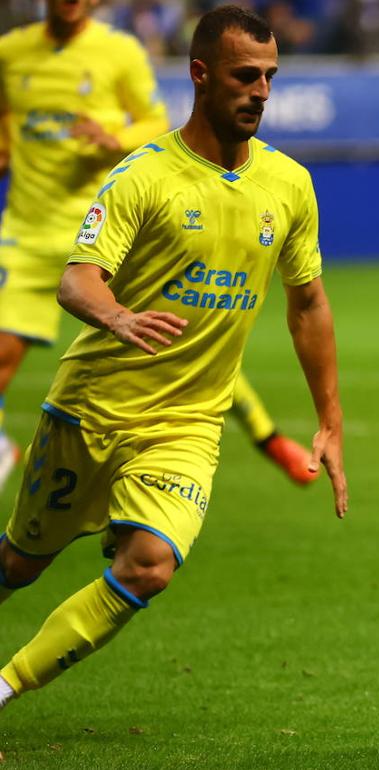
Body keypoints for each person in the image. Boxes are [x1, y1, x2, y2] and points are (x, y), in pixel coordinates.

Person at [0, 4, 347, 713]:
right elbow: (77, 278)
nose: (261, 91)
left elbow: (308, 303)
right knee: (17, 564)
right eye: (245, 76)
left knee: (150, 567)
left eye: (270, 77)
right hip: (92, 408)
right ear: (200, 75)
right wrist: (119, 315)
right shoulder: (144, 176)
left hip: (186, 426)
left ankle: (4, 688)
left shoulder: (289, 186)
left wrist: (330, 422)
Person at [0, 0, 320, 497]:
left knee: (187, 335)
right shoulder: (10, 53)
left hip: (120, 228)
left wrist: (112, 138)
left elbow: (154, 123)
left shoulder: (119, 52)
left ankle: (270, 439)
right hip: (26, 230)